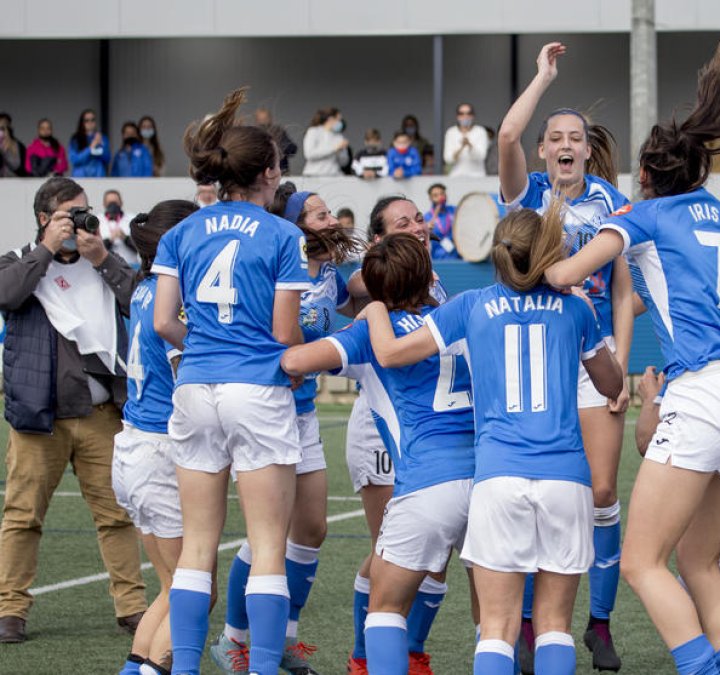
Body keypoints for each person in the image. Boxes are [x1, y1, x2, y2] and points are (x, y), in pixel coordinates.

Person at [545, 36, 720, 675]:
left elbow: (569, 274)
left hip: (702, 393)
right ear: (699, 172)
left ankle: (705, 667)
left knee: (643, 561)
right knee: (699, 560)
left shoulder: (642, 215)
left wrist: (530, 258)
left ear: (645, 176)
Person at [363, 206, 624, 675]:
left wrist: (375, 308)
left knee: (499, 626)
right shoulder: (575, 308)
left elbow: (391, 353)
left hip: (498, 477)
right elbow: (611, 385)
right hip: (566, 477)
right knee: (554, 626)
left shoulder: (471, 305)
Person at [151, 86, 310, 675]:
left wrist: (209, 350)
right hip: (257, 388)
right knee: (268, 544)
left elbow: (165, 320)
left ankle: (186, 667)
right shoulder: (282, 236)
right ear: (268, 172)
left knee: (197, 547)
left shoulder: (181, 232)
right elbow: (285, 334)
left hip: (194, 388)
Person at [497, 41, 634, 672]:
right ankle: (527, 625)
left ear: (586, 146)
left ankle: (598, 623)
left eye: (575, 135)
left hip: (592, 356)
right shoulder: (525, 197)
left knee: (602, 492)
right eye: (555, 136)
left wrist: (622, 366)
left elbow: (625, 288)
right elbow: (505, 136)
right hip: (536, 365)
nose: (565, 144)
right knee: (536, 493)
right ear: (546, 148)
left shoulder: (610, 199)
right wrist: (542, 79)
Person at [281, 232, 476, 675]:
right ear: (429, 277)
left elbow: (294, 362)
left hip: (428, 480)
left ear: (371, 286)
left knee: (384, 607)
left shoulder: (372, 330)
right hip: (490, 478)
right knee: (496, 617)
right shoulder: (460, 317)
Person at [210, 182, 361, 675]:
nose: (329, 219)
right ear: (294, 226)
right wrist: (326, 343)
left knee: (312, 527)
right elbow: (281, 336)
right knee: (265, 533)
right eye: (317, 214)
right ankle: (233, 640)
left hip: (303, 411)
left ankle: (286, 638)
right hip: (268, 407)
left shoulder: (330, 275)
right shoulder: (279, 265)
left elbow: (351, 303)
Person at [0, 177, 146, 644]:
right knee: (23, 516)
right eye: (70, 213)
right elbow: (7, 294)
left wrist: (102, 257)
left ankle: (132, 608)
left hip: (101, 414)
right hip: (38, 416)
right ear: (44, 217)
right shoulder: (19, 260)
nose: (81, 220)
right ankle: (10, 610)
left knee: (117, 515)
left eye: (85, 212)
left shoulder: (101, 262)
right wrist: (44, 249)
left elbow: (139, 301)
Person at [341, 196, 451, 675]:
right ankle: (366, 657)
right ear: (380, 239)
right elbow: (349, 291)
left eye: (419, 218)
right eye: (402, 222)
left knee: (434, 557)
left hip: (429, 438)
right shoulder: (376, 279)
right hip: (384, 429)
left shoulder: (433, 281)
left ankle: (409, 651)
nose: (418, 226)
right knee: (390, 554)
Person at [112, 199, 197, 675]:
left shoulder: (145, 288)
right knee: (192, 592)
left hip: (133, 445)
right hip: (159, 449)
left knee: (170, 588)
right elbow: (188, 379)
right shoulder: (173, 299)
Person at [443, 102, 489, 177]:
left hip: (477, 176)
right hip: (456, 176)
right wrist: (461, 147)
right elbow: (448, 159)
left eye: (468, 113)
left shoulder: (481, 131)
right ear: (457, 116)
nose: (465, 116)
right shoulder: (451, 132)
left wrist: (469, 145)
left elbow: (482, 156)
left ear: (473, 116)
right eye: (461, 113)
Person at [303, 107, 350, 176]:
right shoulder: (313, 131)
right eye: (338, 120)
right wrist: (334, 149)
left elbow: (344, 163)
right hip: (313, 175)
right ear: (330, 119)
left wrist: (341, 150)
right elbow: (309, 154)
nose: (340, 123)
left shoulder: (339, 137)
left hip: (333, 175)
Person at [101, 189, 141, 267]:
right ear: (104, 204)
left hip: (132, 266)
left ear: (121, 203)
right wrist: (109, 241)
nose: (113, 206)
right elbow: (96, 249)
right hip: (108, 267)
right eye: (109, 203)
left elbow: (141, 247)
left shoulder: (132, 219)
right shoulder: (98, 221)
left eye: (115, 202)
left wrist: (125, 238)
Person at [255, 108, 298, 175]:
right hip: (260, 173)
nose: (263, 121)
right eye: (261, 119)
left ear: (270, 118)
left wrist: (279, 148)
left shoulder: (278, 131)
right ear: (257, 120)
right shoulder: (253, 133)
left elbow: (292, 149)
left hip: (281, 171)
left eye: (265, 118)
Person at [68, 108, 110, 177]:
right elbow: (74, 160)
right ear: (82, 123)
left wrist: (101, 145)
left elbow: (107, 159)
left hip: (98, 177)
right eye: (86, 120)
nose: (90, 123)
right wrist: (90, 148)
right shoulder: (75, 139)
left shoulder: (102, 137)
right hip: (81, 178)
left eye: (92, 120)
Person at [425, 183, 460, 260]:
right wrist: (426, 230)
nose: (440, 197)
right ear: (430, 198)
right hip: (438, 258)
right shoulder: (427, 217)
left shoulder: (455, 211)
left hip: (457, 256)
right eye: (435, 195)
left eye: (442, 194)